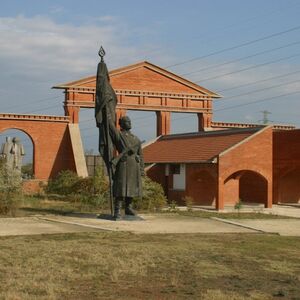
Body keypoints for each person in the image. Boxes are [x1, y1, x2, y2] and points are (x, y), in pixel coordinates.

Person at [109, 115, 145, 219]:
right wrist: (108, 116)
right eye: (127, 121)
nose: (129, 123)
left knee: (132, 187)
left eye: (130, 121)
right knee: (121, 187)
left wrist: (142, 169)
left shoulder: (136, 139)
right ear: (122, 124)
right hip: (123, 163)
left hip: (134, 165)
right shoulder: (119, 135)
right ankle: (117, 210)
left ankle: (128, 208)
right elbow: (111, 128)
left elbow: (141, 155)